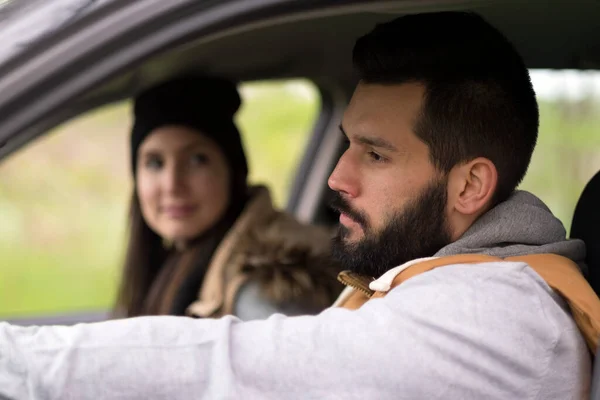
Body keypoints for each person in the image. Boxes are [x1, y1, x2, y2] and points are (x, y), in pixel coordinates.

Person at [1, 11, 598, 400]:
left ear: (469, 187)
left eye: (376, 154)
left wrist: (20, 362)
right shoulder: (434, 281)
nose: (338, 176)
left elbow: (238, 366)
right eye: (347, 143)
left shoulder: (497, 319)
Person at [117, 74, 343, 319]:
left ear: (233, 171)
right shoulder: (179, 260)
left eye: (196, 160)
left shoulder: (265, 291)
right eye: (154, 163)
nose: (172, 185)